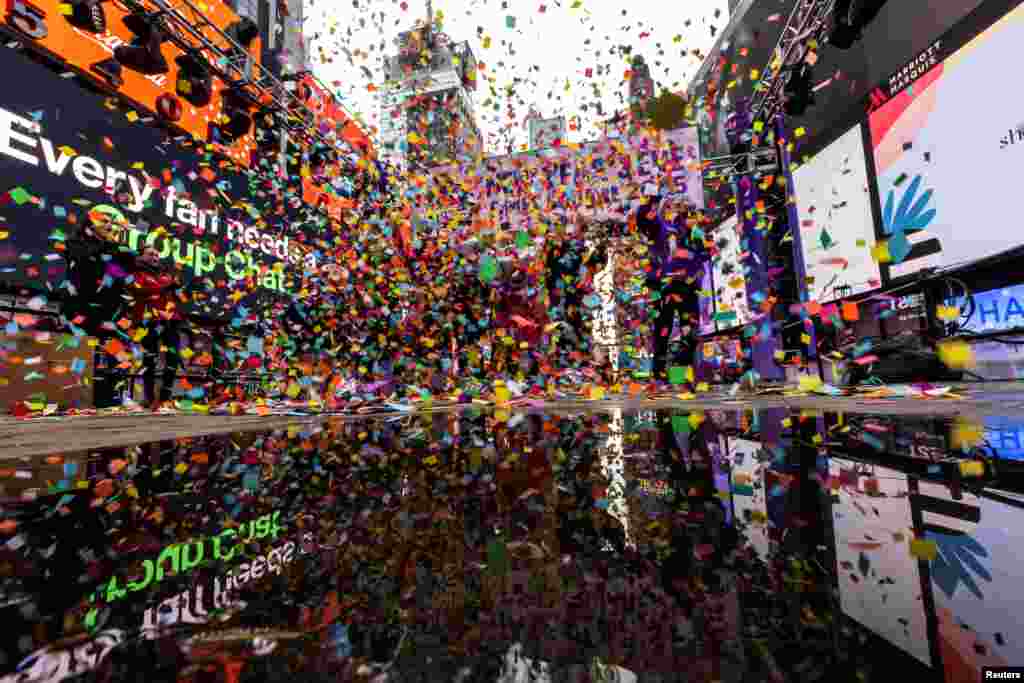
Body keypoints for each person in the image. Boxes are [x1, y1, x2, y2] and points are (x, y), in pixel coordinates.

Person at [635, 193, 709, 383]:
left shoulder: (695, 232)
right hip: (662, 287)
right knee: (662, 332)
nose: (681, 209)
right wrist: (650, 200)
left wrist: (694, 260)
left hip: (686, 287)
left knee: (691, 333)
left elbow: (703, 256)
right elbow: (643, 219)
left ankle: (684, 376)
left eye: (685, 207)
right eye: (676, 206)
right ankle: (659, 375)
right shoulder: (659, 226)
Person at [128, 245, 185, 408]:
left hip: (171, 321)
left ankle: (165, 398)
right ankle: (149, 399)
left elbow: (177, 297)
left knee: (173, 359)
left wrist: (181, 291)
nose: (155, 257)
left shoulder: (166, 274)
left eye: (157, 255)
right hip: (150, 320)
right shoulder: (137, 272)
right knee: (150, 360)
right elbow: (138, 291)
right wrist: (166, 287)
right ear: (141, 256)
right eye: (151, 254)